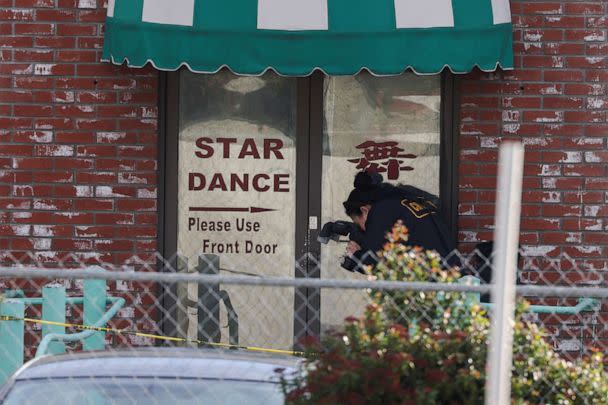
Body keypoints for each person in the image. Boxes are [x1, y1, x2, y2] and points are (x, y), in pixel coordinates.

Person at [342, 171, 457, 271]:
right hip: (448, 271)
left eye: (358, 223)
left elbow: (377, 263)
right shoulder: (400, 202)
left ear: (365, 210)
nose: (362, 228)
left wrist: (355, 255)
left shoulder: (380, 211)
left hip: (428, 278)